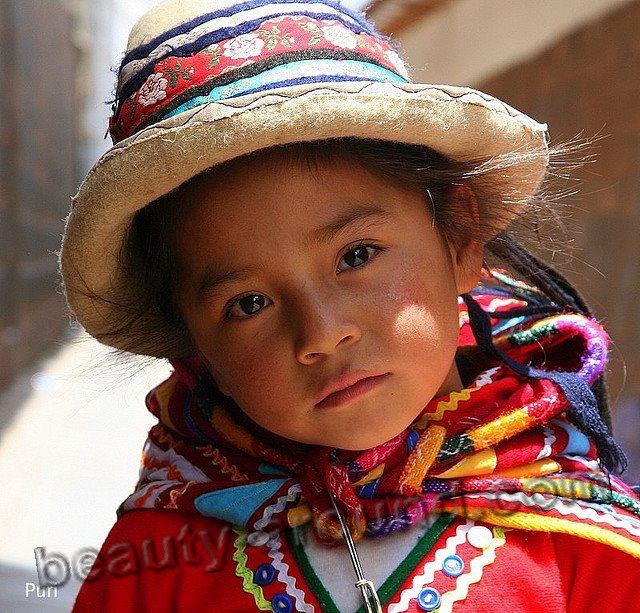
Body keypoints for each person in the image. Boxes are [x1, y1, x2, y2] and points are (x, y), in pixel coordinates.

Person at [58, 1, 640, 611]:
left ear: (461, 236)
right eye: (248, 302)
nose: (321, 332)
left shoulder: (588, 551)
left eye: (358, 255)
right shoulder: (154, 563)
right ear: (193, 341)